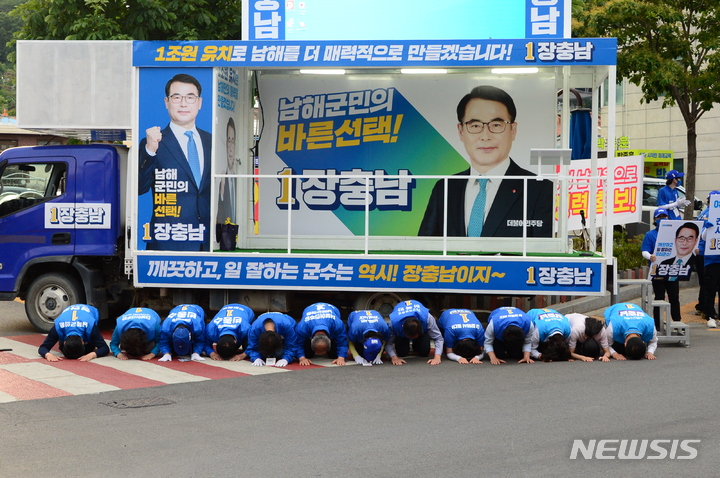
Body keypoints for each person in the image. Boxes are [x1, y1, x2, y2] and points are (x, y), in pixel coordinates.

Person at [418, 85, 553, 238]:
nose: (485, 136)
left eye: (496, 125)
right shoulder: (445, 188)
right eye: (475, 125)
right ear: (461, 132)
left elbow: (543, 253)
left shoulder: (539, 189)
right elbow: (425, 247)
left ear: (513, 130)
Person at [139, 73, 212, 251]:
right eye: (176, 97)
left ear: (199, 103)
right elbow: (140, 187)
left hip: (209, 241)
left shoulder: (211, 141)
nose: (183, 103)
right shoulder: (153, 142)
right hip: (169, 240)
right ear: (167, 102)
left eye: (190, 97)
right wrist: (150, 151)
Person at [642, 208, 680, 329]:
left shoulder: (675, 234)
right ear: (655, 219)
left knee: (674, 297)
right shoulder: (650, 235)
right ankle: (657, 325)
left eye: (665, 217)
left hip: (672, 269)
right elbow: (644, 250)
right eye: (659, 217)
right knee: (659, 297)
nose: (662, 219)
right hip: (657, 270)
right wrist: (650, 256)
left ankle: (677, 322)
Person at [38, 304, 109, 362]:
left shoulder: (90, 327)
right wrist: (48, 355)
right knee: (68, 349)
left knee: (90, 348)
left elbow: (105, 348)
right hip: (69, 316)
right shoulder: (58, 327)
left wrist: (91, 355)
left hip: (90, 311)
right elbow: (43, 348)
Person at [386, 300, 443, 365]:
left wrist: (437, 357)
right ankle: (405, 342)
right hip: (401, 335)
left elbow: (439, 338)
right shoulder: (393, 323)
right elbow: (388, 343)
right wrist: (394, 357)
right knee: (402, 353)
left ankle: (417, 344)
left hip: (421, 333)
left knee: (424, 352)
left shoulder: (428, 318)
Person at [694, 191, 718, 318]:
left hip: (704, 252)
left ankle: (702, 307)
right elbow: (702, 234)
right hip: (706, 253)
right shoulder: (710, 214)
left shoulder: (705, 213)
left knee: (705, 283)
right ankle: (705, 309)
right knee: (708, 283)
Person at [217, 117, 237, 225]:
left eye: (233, 141)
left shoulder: (239, 179)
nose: (230, 147)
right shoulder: (222, 182)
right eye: (229, 141)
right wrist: (222, 191)